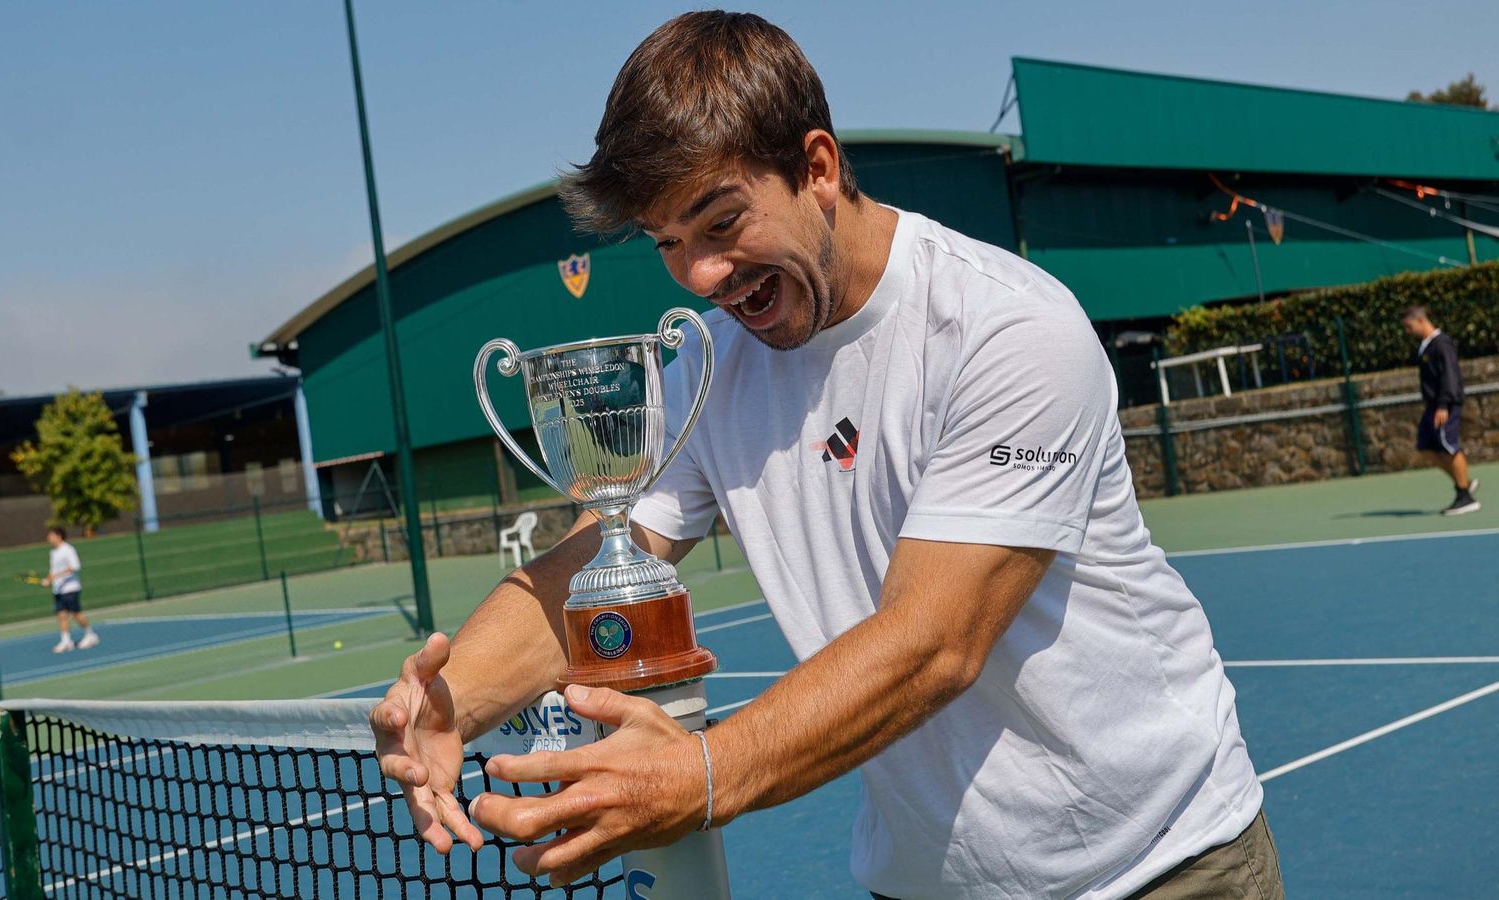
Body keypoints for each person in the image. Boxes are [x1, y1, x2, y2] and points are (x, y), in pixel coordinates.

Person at [371, 12, 1281, 899]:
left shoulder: (1007, 329)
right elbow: (601, 559)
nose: (699, 277)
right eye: (670, 245)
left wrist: (700, 773)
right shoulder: (705, 364)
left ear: (817, 167)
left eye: (720, 223)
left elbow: (935, 644)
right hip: (926, 881)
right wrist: (455, 696)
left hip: (1159, 866)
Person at [1401, 305, 1479, 515]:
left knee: (1449, 446)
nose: (1408, 332)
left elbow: (1449, 375)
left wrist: (1444, 404)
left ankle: (1465, 497)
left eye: (1409, 327)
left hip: (1445, 405)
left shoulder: (1441, 344)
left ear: (1420, 320)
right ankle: (1463, 481)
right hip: (1432, 406)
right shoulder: (1426, 346)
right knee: (1426, 446)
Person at [43, 525, 98, 653]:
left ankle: (90, 635)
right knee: (61, 615)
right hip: (58, 590)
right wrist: (48, 579)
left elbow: (75, 566)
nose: (48, 538)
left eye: (51, 535)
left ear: (58, 536)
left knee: (75, 613)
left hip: (71, 588)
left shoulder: (68, 549)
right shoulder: (53, 552)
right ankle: (66, 640)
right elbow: (53, 571)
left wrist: (57, 576)